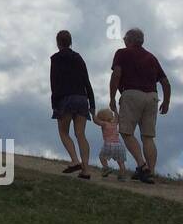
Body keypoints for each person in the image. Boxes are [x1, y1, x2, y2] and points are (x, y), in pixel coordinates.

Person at [109, 27, 170, 184]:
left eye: (125, 38)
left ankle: (142, 166)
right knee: (148, 136)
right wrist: (166, 101)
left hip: (131, 94)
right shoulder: (151, 58)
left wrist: (112, 97)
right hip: (152, 97)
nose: (123, 40)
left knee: (126, 131)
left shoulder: (122, 53)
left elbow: (116, 74)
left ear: (129, 40)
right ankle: (151, 171)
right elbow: (165, 82)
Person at [50, 29, 95, 178]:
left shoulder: (56, 59)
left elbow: (54, 82)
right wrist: (92, 103)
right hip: (82, 98)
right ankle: (86, 170)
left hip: (65, 98)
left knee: (63, 132)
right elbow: (86, 81)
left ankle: (75, 160)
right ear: (70, 42)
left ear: (58, 43)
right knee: (80, 134)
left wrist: (54, 103)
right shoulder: (78, 58)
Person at [94, 107, 127, 179]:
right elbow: (117, 117)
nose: (112, 115)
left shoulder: (104, 123)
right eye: (111, 114)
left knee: (102, 157)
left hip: (109, 144)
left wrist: (93, 114)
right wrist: (115, 110)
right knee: (121, 161)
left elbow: (96, 121)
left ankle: (106, 168)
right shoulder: (115, 123)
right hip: (119, 145)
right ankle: (122, 174)